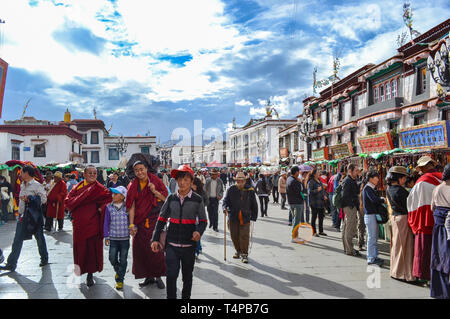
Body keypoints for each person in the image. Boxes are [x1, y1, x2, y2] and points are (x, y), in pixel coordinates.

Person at [151, 165, 207, 299]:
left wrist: (198, 232)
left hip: (189, 245)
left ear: (191, 181)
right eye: (179, 179)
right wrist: (155, 239)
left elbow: (204, 221)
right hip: (172, 245)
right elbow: (161, 220)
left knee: (187, 277)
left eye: (186, 180)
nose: (182, 183)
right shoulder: (171, 199)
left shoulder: (198, 199)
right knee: (171, 275)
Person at [65, 166, 112, 287]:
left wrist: (102, 208)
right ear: (84, 174)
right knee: (80, 248)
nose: (92, 175)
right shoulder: (78, 187)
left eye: (94, 173)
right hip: (79, 224)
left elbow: (108, 199)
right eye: (90, 173)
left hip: (93, 223)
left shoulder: (100, 188)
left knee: (92, 249)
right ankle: (81, 270)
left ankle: (90, 274)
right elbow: (68, 201)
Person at [127, 160, 168, 289]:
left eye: (141, 169)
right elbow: (132, 206)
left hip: (154, 220)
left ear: (146, 169)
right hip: (139, 222)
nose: (139, 172)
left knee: (156, 249)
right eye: (136, 170)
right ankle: (148, 276)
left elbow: (166, 199)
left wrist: (155, 192)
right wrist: (131, 224)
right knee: (141, 250)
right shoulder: (133, 185)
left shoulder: (155, 180)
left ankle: (158, 276)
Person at [0, 165, 48, 272]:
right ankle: (11, 263)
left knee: (39, 238)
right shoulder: (22, 185)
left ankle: (44, 258)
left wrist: (30, 199)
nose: (20, 174)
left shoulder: (36, 185)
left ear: (27, 173)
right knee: (17, 240)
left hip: (34, 217)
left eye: (21, 172)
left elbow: (44, 199)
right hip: (23, 216)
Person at [407, 156, 443, 282]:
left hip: (425, 219)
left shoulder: (421, 182)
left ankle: (425, 275)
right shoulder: (443, 178)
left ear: (422, 168)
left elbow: (412, 203)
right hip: (441, 219)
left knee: (425, 249)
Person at [223, 171, 258, 263]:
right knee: (234, 235)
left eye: (242, 181)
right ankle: (238, 251)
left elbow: (254, 204)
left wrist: (254, 216)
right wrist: (224, 207)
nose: (240, 183)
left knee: (244, 236)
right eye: (238, 181)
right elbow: (225, 201)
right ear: (236, 181)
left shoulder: (250, 190)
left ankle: (244, 254)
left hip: (245, 217)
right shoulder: (231, 189)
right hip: (233, 217)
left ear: (245, 181)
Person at [386, 166, 414, 282]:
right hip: (403, 218)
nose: (404, 181)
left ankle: (395, 270)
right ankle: (402, 273)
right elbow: (408, 206)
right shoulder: (401, 191)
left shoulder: (389, 189)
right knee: (405, 247)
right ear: (399, 178)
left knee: (396, 246)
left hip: (394, 218)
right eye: (403, 178)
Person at [429, 163, 450, 299]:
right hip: (447, 226)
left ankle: (440, 291)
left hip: (439, 226)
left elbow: (433, 208)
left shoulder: (437, 189)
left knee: (439, 257)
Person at [104, 186, 129, 290]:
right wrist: (106, 235)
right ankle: (119, 271)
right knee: (112, 257)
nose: (113, 195)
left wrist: (134, 227)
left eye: (116, 194)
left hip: (125, 239)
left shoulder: (127, 207)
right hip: (113, 238)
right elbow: (106, 222)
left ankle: (120, 280)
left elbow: (132, 220)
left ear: (123, 196)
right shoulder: (109, 207)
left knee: (123, 259)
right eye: (113, 193)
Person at [362, 170, 386, 265]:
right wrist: (382, 199)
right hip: (370, 215)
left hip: (372, 215)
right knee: (372, 237)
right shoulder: (368, 188)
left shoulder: (370, 188)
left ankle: (374, 256)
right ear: (371, 179)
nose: (377, 180)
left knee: (374, 237)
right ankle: (371, 258)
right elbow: (374, 200)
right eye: (376, 178)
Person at [341, 163, 361, 257]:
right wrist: (352, 204)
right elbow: (345, 196)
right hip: (349, 207)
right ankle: (349, 249)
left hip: (349, 206)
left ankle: (347, 248)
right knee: (349, 228)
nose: (357, 173)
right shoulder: (347, 181)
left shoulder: (351, 180)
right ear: (350, 171)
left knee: (346, 227)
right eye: (356, 171)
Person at [286, 166, 306, 240]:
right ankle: (294, 236)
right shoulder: (294, 181)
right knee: (297, 220)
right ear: (296, 172)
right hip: (297, 202)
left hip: (292, 202)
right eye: (299, 171)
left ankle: (295, 235)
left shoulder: (289, 179)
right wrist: (300, 182)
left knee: (295, 219)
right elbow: (300, 191)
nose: (299, 173)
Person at [307, 168, 327, 237]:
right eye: (318, 172)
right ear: (314, 174)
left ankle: (321, 231)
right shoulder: (311, 182)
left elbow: (322, 190)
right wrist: (317, 190)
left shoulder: (319, 181)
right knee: (314, 217)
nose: (319, 174)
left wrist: (324, 195)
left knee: (321, 217)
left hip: (321, 202)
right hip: (314, 202)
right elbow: (309, 192)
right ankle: (313, 231)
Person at [192, 177, 208, 260]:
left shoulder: (201, 193)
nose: (192, 186)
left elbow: (206, 201)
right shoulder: (188, 191)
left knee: (197, 232)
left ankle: (196, 251)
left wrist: (200, 207)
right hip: (190, 216)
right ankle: (198, 247)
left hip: (199, 216)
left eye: (194, 185)